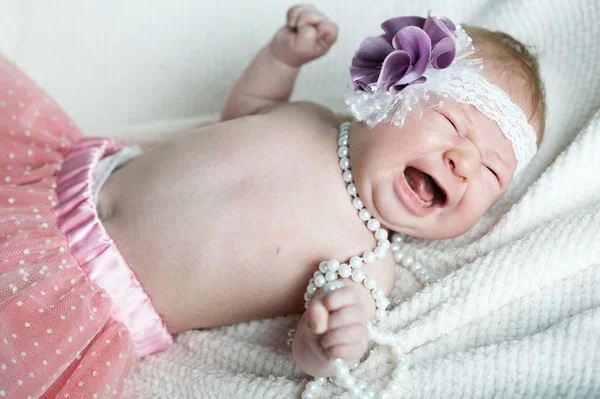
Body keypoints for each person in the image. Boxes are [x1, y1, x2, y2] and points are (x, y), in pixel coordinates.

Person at [0, 4, 544, 398]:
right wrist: (281, 58)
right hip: (56, 181)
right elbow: (246, 111)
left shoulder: (364, 258)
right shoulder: (308, 116)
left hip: (79, 297)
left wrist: (333, 339)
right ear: (392, 92)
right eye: (452, 123)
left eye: (492, 172)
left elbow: (311, 351)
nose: (464, 162)